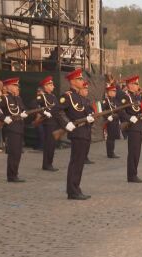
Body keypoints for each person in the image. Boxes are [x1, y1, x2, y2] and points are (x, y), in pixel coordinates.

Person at [57, 68, 94, 200]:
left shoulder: (79, 96)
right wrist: (66, 124)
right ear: (72, 81)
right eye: (79, 79)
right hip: (77, 132)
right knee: (76, 162)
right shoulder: (67, 96)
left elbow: (86, 111)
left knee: (79, 163)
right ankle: (72, 191)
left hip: (85, 131)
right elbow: (58, 111)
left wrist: (90, 117)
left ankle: (76, 188)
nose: (82, 80)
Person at [0, 77, 29, 182]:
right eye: (14, 85)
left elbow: (22, 110)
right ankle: (11, 176)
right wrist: (3, 118)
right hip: (11, 128)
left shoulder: (18, 98)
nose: (16, 87)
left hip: (19, 127)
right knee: (13, 153)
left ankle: (14, 174)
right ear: (7, 87)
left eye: (17, 85)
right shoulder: (4, 98)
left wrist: (24, 114)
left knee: (18, 153)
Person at [118, 75, 142, 183]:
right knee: (133, 151)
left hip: (139, 126)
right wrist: (129, 118)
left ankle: (134, 173)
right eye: (136, 84)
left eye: (138, 84)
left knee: (137, 152)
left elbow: (138, 110)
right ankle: (131, 175)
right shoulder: (125, 97)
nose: (138, 86)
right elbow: (120, 111)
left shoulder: (136, 97)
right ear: (129, 85)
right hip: (132, 127)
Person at [36, 76, 61, 171]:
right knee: (49, 144)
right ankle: (47, 164)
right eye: (51, 84)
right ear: (45, 86)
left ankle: (48, 163)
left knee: (52, 144)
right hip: (48, 123)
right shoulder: (42, 96)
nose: (53, 86)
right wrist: (43, 112)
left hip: (54, 122)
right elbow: (33, 104)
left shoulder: (53, 96)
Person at [103, 84, 121, 159]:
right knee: (110, 137)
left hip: (115, 121)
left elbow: (119, 109)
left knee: (113, 137)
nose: (114, 92)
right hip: (109, 121)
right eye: (112, 91)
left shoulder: (115, 100)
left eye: (115, 91)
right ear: (108, 92)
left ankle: (112, 151)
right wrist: (107, 117)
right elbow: (103, 111)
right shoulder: (105, 101)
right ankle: (110, 153)